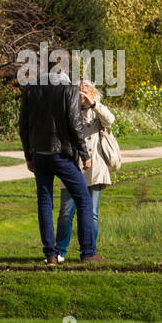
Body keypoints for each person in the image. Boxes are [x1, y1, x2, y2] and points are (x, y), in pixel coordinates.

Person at [18, 51, 101, 265]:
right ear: (63, 67)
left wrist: (29, 155)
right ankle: (88, 253)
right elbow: (75, 125)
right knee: (83, 200)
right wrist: (84, 154)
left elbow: (24, 126)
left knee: (44, 203)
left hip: (40, 154)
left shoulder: (31, 89)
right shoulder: (69, 89)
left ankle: (51, 254)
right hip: (62, 154)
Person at [54, 80, 115, 263]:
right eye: (78, 92)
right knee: (66, 211)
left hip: (94, 168)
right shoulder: (67, 110)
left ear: (92, 94)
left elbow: (110, 120)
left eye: (85, 91)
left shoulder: (97, 111)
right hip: (71, 167)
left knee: (92, 213)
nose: (81, 95)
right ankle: (60, 252)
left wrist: (93, 104)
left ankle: (89, 252)